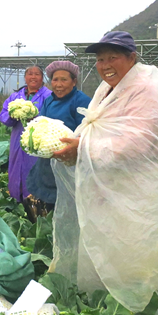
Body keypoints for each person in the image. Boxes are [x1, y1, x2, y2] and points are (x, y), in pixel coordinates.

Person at [50, 31, 158, 315]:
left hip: (136, 190)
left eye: (113, 57)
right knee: (106, 246)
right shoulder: (106, 89)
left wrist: (82, 149)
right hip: (108, 186)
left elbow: (138, 143)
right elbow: (92, 127)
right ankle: (109, 314)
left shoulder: (144, 90)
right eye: (100, 59)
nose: (105, 64)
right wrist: (69, 143)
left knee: (132, 251)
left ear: (131, 58)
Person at [25, 60, 91, 221]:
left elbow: (87, 133)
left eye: (64, 79)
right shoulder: (49, 100)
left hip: (71, 162)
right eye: (55, 79)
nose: (58, 84)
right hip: (47, 163)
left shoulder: (81, 101)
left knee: (68, 205)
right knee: (46, 204)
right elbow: (41, 124)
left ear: (74, 82)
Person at [0, 66, 52, 215]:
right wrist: (13, 116)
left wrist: (36, 117)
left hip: (38, 140)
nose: (33, 77)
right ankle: (17, 202)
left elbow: (52, 116)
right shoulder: (16, 97)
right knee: (16, 169)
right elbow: (3, 115)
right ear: (25, 78)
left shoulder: (48, 96)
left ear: (42, 78)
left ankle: (37, 208)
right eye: (30, 74)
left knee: (35, 169)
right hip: (18, 139)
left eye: (37, 74)